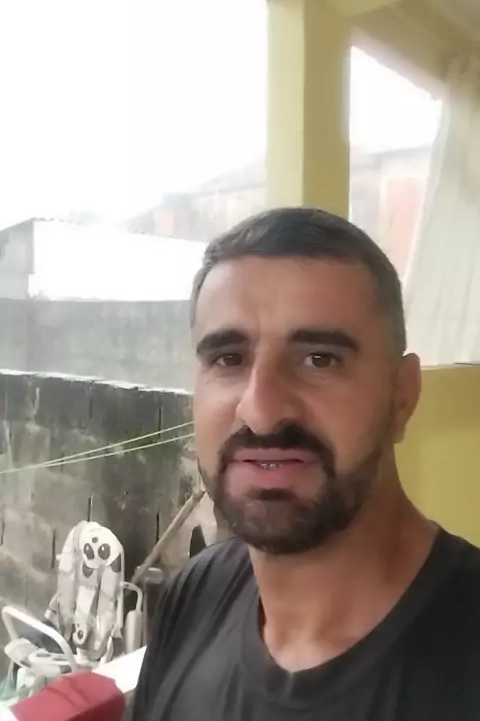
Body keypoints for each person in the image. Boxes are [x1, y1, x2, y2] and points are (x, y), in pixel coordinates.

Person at [131, 206, 480, 721]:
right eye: (228, 359)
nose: (261, 411)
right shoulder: (194, 596)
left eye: (320, 359)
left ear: (401, 397)